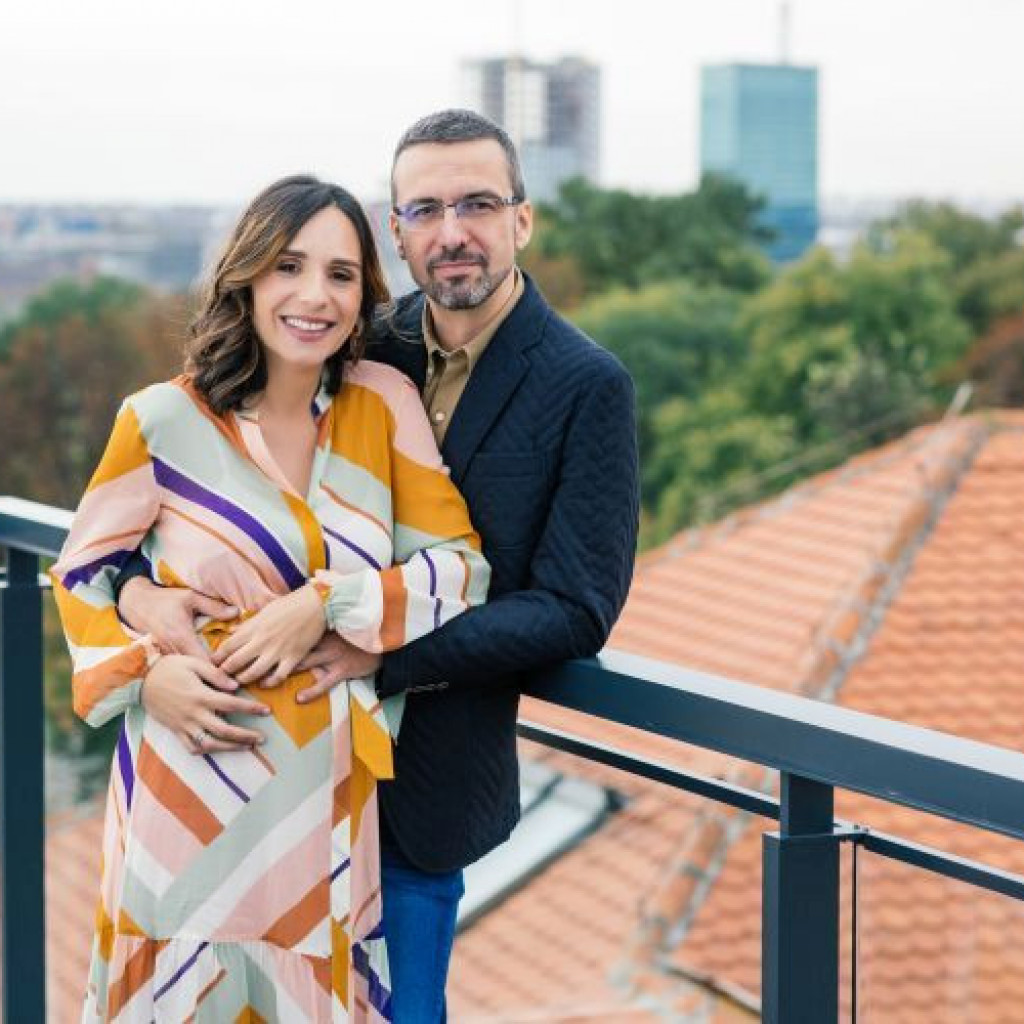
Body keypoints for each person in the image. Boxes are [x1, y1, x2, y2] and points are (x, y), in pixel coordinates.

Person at [117, 109, 640, 1022]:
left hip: (417, 793)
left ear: (522, 220)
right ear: (396, 232)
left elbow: (576, 606)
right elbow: (183, 491)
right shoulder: (353, 339)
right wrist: (142, 615)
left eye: (478, 204)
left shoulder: (586, 384)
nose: (452, 231)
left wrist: (377, 649)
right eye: (424, 210)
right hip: (257, 783)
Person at [50, 174, 489, 1022]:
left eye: (341, 274)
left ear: (363, 297)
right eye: (289, 266)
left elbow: (461, 570)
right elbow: (81, 575)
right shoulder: (160, 420)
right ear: (247, 278)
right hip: (181, 804)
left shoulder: (383, 404)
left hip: (320, 815)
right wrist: (146, 674)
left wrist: (328, 604)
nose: (314, 296)